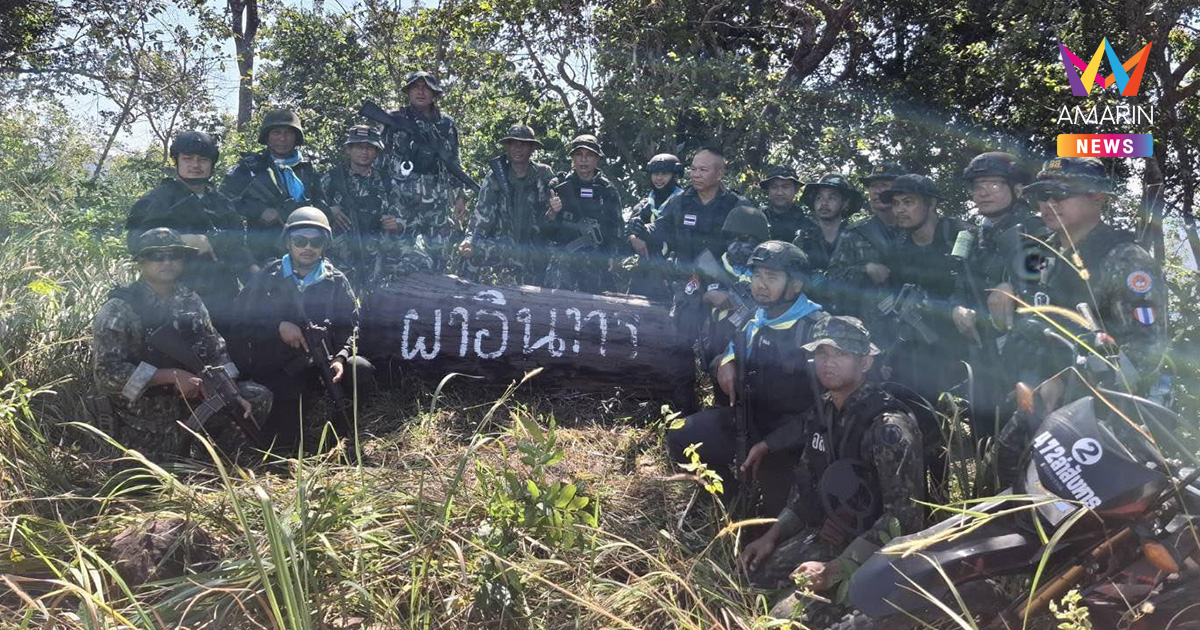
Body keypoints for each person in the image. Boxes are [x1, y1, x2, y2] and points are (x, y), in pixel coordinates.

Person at [736, 316, 923, 624]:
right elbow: (805, 490)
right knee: (749, 579)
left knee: (786, 618)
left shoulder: (888, 426)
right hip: (828, 535)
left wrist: (836, 569)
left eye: (841, 354)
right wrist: (772, 535)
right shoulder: (824, 413)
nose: (828, 363)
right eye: (822, 353)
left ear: (865, 363)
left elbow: (905, 518)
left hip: (877, 551)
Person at [666, 241, 827, 518]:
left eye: (772, 277)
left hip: (793, 442)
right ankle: (728, 500)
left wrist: (771, 444)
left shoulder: (816, 328)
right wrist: (725, 363)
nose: (761, 285)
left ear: (796, 286)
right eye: (757, 276)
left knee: (776, 520)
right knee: (681, 434)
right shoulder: (756, 317)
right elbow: (728, 349)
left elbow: (827, 410)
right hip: (749, 423)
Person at [91, 228, 272, 462]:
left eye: (175, 255)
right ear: (141, 261)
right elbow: (106, 375)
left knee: (256, 397)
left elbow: (216, 350)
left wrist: (227, 388)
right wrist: (169, 376)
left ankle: (222, 467)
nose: (167, 262)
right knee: (158, 473)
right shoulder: (118, 309)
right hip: (142, 407)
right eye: (157, 256)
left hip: (191, 396)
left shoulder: (190, 300)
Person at [233, 207, 376, 453]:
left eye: (316, 241)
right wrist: (277, 326)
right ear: (289, 242)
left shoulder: (336, 280)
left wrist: (341, 358)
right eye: (300, 240)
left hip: (322, 362)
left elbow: (350, 326)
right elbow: (240, 319)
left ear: (324, 245)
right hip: (279, 365)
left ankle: (339, 442)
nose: (307, 247)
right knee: (285, 442)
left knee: (361, 370)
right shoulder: (268, 276)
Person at [626, 147, 753, 414]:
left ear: (719, 173)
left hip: (725, 293)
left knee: (721, 353)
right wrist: (643, 231)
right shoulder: (680, 202)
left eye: (703, 169)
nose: (695, 174)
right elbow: (660, 231)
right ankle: (685, 412)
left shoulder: (737, 206)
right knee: (679, 350)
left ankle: (723, 412)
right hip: (689, 288)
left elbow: (748, 254)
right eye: (693, 169)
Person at [950, 151, 1047, 436]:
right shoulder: (973, 236)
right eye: (977, 186)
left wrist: (1015, 289)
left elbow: (1044, 282)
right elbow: (958, 285)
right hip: (983, 356)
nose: (982, 193)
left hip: (1029, 357)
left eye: (993, 185)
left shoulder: (1037, 232)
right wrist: (956, 308)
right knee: (988, 441)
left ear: (1017, 189)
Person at [125, 130, 257, 334]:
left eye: (203, 159)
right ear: (176, 161)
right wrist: (180, 240)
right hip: (174, 300)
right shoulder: (159, 199)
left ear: (212, 164)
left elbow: (238, 246)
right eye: (188, 159)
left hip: (224, 300)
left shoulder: (222, 203)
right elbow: (134, 242)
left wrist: (255, 275)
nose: (195, 165)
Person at [879, 174, 971, 404]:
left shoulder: (961, 236)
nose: (900, 210)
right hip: (917, 348)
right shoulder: (898, 248)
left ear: (931, 204)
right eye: (896, 203)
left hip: (963, 347)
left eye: (908, 202)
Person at [382, 71, 465, 271]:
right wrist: (383, 197)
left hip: (437, 197)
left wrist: (460, 195)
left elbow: (454, 160)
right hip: (402, 196)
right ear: (408, 92)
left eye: (426, 87)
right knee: (398, 252)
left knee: (439, 254)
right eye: (415, 87)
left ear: (434, 93)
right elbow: (381, 158)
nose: (420, 92)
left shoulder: (446, 123)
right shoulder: (395, 119)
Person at [222, 109, 327, 262]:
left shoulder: (307, 169)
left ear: (296, 137)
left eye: (288, 133)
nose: (282, 139)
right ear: (267, 137)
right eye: (277, 133)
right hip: (263, 251)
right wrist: (259, 211)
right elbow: (224, 200)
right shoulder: (251, 167)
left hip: (305, 249)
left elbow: (320, 203)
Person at [458, 124, 555, 285]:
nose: (518, 149)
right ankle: (462, 303)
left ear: (532, 148)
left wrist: (553, 212)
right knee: (469, 253)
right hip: (502, 246)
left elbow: (551, 218)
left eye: (523, 144)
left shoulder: (544, 174)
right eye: (513, 144)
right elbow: (482, 216)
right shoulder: (495, 176)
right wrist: (470, 240)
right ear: (507, 148)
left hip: (533, 248)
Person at [320, 125, 410, 290]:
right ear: (348, 149)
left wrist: (397, 223)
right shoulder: (331, 179)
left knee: (419, 261)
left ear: (376, 152)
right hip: (341, 251)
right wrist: (328, 211)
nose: (364, 152)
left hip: (379, 249)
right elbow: (312, 213)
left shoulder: (387, 182)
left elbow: (403, 216)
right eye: (359, 147)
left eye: (369, 147)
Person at [697, 204, 771, 406]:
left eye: (746, 239)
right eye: (732, 238)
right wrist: (708, 296)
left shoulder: (770, 273)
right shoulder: (711, 267)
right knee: (724, 408)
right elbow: (683, 300)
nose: (738, 244)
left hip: (760, 359)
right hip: (720, 356)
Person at [542, 134, 624, 293]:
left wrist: (612, 256)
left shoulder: (607, 189)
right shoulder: (557, 185)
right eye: (579, 155)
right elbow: (543, 229)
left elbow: (617, 228)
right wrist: (552, 211)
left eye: (589, 155)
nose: (583, 160)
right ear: (572, 158)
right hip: (562, 261)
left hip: (595, 262)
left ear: (597, 159)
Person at [828, 162, 906, 319]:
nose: (877, 191)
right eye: (873, 186)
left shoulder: (915, 230)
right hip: (866, 325)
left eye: (884, 185)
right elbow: (832, 281)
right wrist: (865, 270)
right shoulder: (856, 233)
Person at [793, 173, 864, 307]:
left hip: (852, 314)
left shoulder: (859, 239)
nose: (824, 203)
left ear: (845, 204)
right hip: (812, 315)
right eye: (819, 197)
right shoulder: (802, 240)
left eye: (832, 197)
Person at [627, 153, 686, 299]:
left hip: (675, 274)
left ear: (675, 175)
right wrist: (633, 237)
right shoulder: (644, 205)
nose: (659, 178)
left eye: (664, 174)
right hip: (645, 271)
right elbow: (625, 233)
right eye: (655, 173)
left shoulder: (686, 203)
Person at [758, 165, 806, 242]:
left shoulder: (806, 224)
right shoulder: (759, 218)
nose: (779, 193)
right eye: (774, 187)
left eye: (785, 187)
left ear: (796, 189)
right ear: (768, 190)